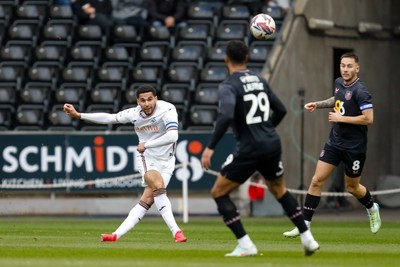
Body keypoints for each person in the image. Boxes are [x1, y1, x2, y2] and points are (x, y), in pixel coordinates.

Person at [200, 40, 319, 257]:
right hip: (271, 143)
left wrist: (210, 148)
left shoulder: (228, 85)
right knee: (280, 190)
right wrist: (264, 130)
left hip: (250, 147)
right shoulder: (260, 80)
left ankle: (246, 244)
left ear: (226, 59)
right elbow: (281, 110)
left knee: (218, 192)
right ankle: (308, 239)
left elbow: (225, 114)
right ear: (246, 58)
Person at [63, 84, 187, 243]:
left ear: (156, 98)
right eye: (143, 100)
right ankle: (176, 232)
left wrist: (147, 144)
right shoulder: (134, 114)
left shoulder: (167, 110)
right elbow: (110, 118)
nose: (147, 103)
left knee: (148, 199)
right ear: (138, 102)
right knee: (158, 186)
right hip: (147, 158)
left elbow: (172, 136)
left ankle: (115, 235)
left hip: (168, 160)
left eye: (150, 99)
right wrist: (79, 115)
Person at [283, 52, 381, 238]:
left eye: (349, 66)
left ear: (357, 68)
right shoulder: (338, 83)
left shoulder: (361, 91)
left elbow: (369, 119)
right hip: (335, 142)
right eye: (343, 65)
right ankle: (304, 225)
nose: (345, 69)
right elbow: (337, 100)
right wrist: (318, 104)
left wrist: (340, 118)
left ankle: (372, 207)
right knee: (316, 180)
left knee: (352, 187)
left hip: (354, 147)